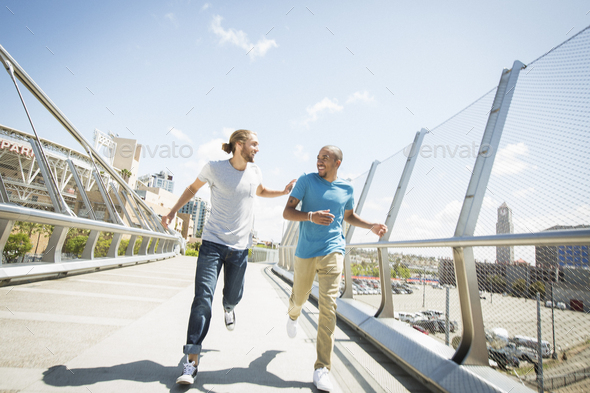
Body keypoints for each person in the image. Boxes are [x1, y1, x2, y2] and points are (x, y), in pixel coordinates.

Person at [162, 129, 295, 385]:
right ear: (238, 144)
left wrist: (283, 191)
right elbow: (192, 189)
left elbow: (261, 190)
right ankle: (190, 362)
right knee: (202, 298)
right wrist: (171, 212)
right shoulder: (214, 168)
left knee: (233, 296)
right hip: (212, 242)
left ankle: (229, 307)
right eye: (254, 144)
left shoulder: (255, 171)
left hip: (240, 247)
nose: (257, 149)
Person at [283, 145, 387, 392]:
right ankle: (293, 313)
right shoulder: (306, 181)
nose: (319, 162)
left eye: (325, 158)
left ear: (338, 163)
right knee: (300, 297)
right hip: (306, 251)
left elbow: (348, 216)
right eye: (318, 157)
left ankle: (322, 368)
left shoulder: (347, 188)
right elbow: (287, 212)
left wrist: (370, 224)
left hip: (334, 250)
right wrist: (310, 216)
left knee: (328, 307)